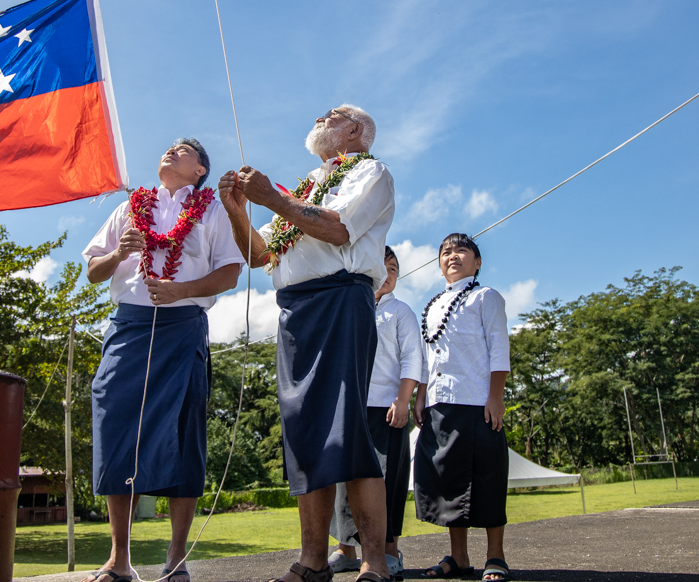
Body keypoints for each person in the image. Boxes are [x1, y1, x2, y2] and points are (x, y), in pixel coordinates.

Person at [218, 104, 395, 582]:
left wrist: (271, 198)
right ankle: (313, 560)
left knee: (347, 429)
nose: (320, 117)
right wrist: (238, 211)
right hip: (296, 312)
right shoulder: (306, 187)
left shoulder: (371, 172)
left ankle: (375, 561)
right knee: (305, 434)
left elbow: (337, 228)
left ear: (355, 130)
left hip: (340, 299)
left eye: (333, 114)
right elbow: (259, 254)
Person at [82, 139, 244, 582]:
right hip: (129, 327)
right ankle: (119, 559)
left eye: (185, 150)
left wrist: (180, 291)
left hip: (183, 324)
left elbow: (230, 272)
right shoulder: (130, 208)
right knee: (116, 424)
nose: (172, 150)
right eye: (169, 147)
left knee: (182, 429)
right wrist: (118, 254)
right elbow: (94, 271)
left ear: (200, 171)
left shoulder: (212, 210)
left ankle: (175, 558)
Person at [413, 233, 511, 582]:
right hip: (440, 404)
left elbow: (499, 349)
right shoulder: (434, 303)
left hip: (478, 403)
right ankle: (459, 557)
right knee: (448, 481)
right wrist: (421, 396)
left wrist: (495, 397)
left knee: (488, 477)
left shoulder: (486, 297)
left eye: (461, 250)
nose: (452, 255)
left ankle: (496, 556)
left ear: (477, 261)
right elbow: (427, 358)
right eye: (445, 251)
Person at [328, 246, 425, 578]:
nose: (386, 274)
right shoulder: (348, 307)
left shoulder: (401, 312)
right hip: (349, 406)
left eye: (394, 269)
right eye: (380, 266)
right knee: (344, 480)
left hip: (387, 409)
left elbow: (413, 358)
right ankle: (345, 549)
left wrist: (403, 399)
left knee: (386, 481)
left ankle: (389, 550)